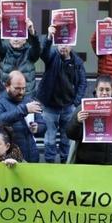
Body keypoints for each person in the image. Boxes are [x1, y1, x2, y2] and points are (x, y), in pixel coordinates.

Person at [37, 24, 87, 163]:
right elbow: (43, 53)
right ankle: (49, 163)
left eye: (66, 44)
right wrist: (49, 37)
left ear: (71, 45)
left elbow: (83, 83)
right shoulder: (52, 56)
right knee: (50, 139)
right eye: (60, 43)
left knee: (67, 138)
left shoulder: (77, 62)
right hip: (50, 106)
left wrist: (76, 102)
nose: (63, 47)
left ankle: (65, 163)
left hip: (68, 107)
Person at [65, 75, 112, 165]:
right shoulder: (83, 108)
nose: (104, 93)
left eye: (107, 90)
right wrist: (77, 121)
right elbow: (70, 134)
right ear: (96, 89)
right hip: (88, 163)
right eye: (101, 89)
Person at [0, 71, 47, 163]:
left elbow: (43, 124)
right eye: (17, 88)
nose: (21, 92)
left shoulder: (29, 101)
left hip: (31, 154)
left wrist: (37, 128)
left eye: (24, 88)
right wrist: (24, 110)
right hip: (9, 157)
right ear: (7, 86)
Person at [0, 14, 42, 96]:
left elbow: (37, 49)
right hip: (6, 95)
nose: (16, 39)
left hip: (26, 96)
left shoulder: (30, 52)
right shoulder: (5, 50)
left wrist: (32, 33)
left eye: (19, 36)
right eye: (13, 36)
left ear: (25, 39)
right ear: (9, 38)